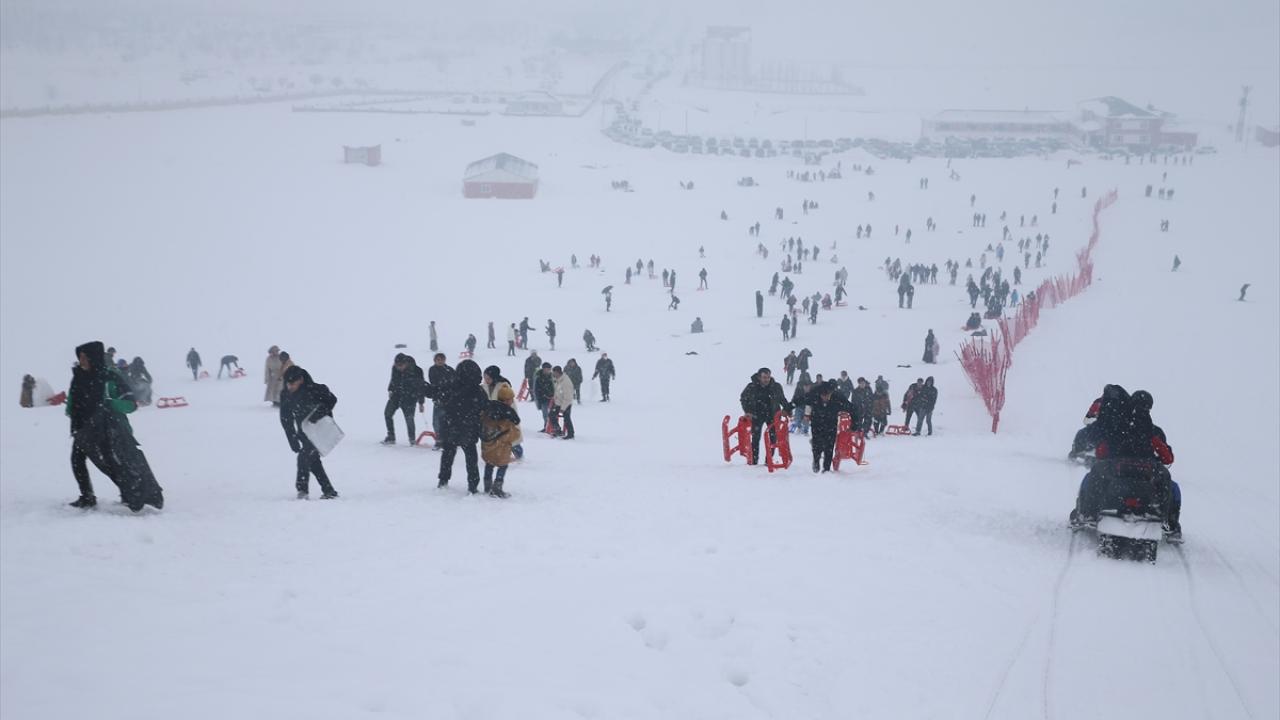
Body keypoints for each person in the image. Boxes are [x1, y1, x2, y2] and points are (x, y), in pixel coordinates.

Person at [65, 342, 139, 509]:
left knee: (111, 463)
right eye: (80, 356)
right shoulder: (78, 377)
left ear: (93, 357)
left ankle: (129, 492)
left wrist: (108, 405)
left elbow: (131, 404)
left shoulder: (111, 377)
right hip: (83, 428)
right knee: (77, 460)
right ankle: (87, 496)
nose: (81, 360)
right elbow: (73, 398)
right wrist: (71, 409)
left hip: (108, 429)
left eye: (84, 356)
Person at [422, 359, 488, 492]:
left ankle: (443, 480)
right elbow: (485, 408)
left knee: (448, 455)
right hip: (469, 428)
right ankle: (473, 485)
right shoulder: (478, 391)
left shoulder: (451, 386)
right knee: (471, 457)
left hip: (450, 426)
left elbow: (434, 392)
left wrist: (422, 386)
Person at [279, 365, 339, 500]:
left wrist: (320, 412)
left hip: (319, 431)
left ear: (300, 380)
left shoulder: (315, 389)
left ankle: (302, 491)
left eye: (292, 384)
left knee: (304, 457)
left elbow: (332, 400)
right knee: (312, 460)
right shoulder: (286, 394)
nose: (290, 387)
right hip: (303, 433)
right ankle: (329, 490)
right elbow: (286, 418)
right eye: (287, 384)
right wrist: (292, 438)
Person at [739, 368, 793, 465]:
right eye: (764, 377)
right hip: (756, 415)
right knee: (755, 438)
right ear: (759, 377)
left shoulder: (776, 387)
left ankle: (768, 460)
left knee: (773, 438)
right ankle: (754, 461)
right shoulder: (751, 386)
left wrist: (787, 410)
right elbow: (743, 398)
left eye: (768, 377)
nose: (766, 379)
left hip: (772, 415)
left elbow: (782, 399)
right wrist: (748, 411)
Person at [806, 380, 855, 472]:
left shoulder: (837, 397)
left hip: (831, 425)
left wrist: (854, 424)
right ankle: (816, 462)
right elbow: (803, 401)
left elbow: (852, 408)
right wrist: (789, 408)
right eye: (823, 395)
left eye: (827, 395)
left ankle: (826, 468)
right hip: (817, 424)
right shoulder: (814, 393)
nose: (825, 397)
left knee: (829, 447)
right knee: (817, 445)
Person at [481, 385, 521, 497]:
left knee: (489, 463)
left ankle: (487, 485)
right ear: (506, 400)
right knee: (503, 465)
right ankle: (497, 487)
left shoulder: (489, 407)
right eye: (511, 399)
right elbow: (516, 421)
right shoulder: (508, 411)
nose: (512, 401)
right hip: (502, 444)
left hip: (488, 442)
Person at [383, 353, 425, 445]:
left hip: (410, 398)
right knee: (387, 414)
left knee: (409, 418)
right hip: (396, 396)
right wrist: (390, 390)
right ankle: (391, 436)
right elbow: (393, 380)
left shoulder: (417, 370)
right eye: (397, 365)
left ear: (406, 363)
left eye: (400, 365)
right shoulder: (395, 368)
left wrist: (421, 402)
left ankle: (412, 439)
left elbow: (421, 387)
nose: (399, 368)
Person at [483, 365, 522, 460]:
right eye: (485, 378)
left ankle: (518, 454)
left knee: (509, 437)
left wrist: (510, 416)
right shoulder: (485, 387)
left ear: (494, 377)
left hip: (504, 415)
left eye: (488, 378)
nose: (486, 380)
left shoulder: (503, 386)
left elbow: (509, 402)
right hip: (492, 416)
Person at [427, 353, 455, 442]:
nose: (440, 361)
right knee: (436, 421)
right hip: (438, 398)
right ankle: (439, 439)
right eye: (438, 360)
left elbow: (453, 383)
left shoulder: (450, 370)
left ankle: (450, 438)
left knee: (448, 420)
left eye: (441, 359)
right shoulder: (432, 370)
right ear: (435, 361)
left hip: (449, 399)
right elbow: (434, 383)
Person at [550, 365, 575, 439]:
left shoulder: (566, 382)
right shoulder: (558, 380)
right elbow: (557, 391)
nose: (553, 375)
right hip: (558, 402)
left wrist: (563, 408)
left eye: (554, 373)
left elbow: (568, 397)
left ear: (558, 372)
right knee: (551, 415)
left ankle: (571, 433)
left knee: (567, 418)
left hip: (566, 404)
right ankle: (557, 430)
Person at [534, 362, 555, 429]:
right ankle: (546, 426)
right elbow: (536, 389)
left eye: (548, 369)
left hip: (552, 398)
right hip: (543, 398)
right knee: (545, 414)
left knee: (553, 414)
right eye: (546, 369)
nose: (547, 370)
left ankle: (552, 426)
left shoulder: (552, 377)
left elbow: (555, 386)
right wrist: (539, 396)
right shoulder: (539, 377)